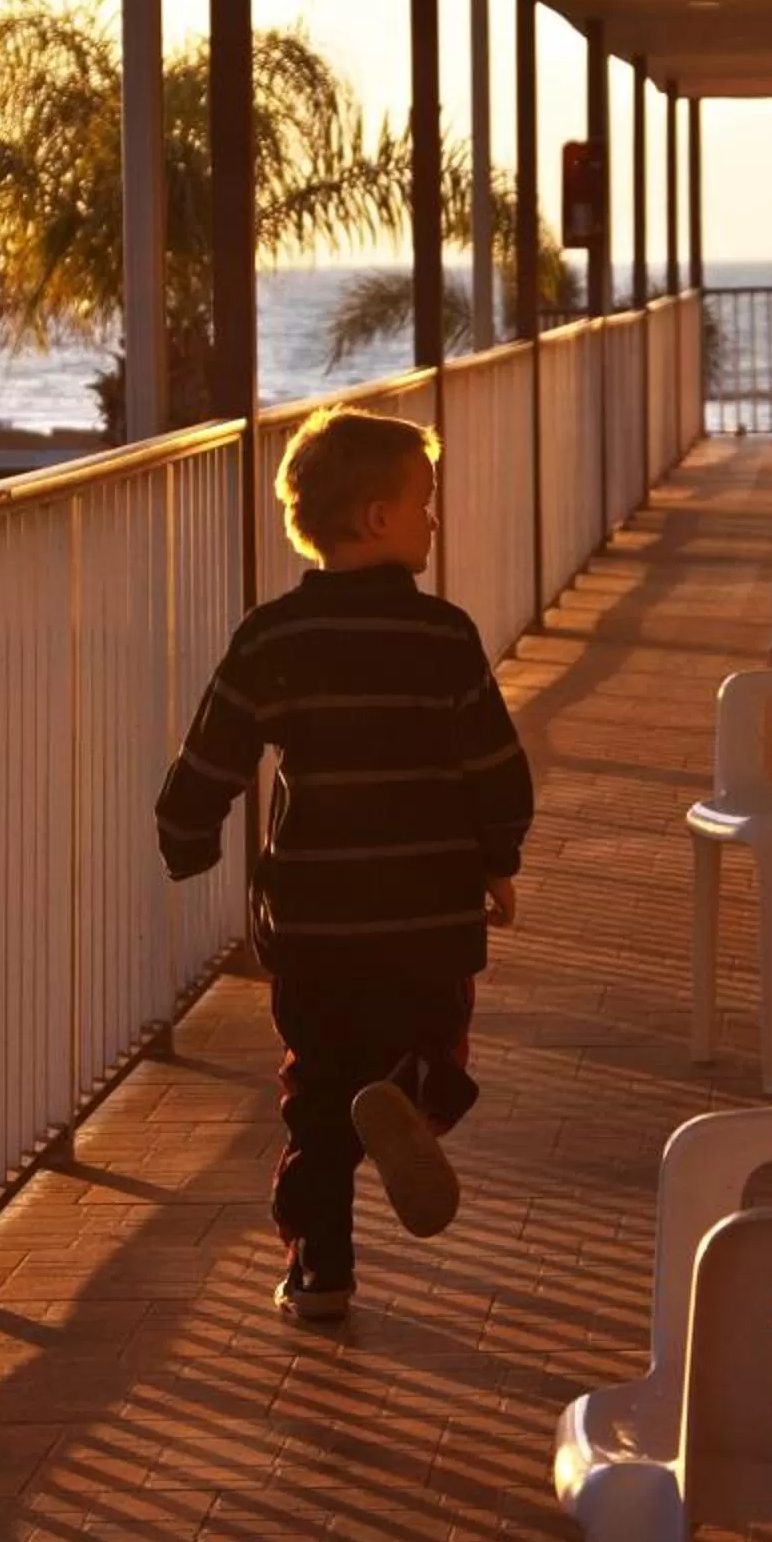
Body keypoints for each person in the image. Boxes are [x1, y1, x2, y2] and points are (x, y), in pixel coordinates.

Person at [155, 406, 535, 1324]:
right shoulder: (443, 637)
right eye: (424, 505)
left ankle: (321, 1271)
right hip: (427, 916)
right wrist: (497, 854)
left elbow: (215, 751)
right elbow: (494, 765)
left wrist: (188, 835)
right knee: (431, 1038)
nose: (433, 522)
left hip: (317, 920)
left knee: (316, 1094)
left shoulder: (274, 637)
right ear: (376, 519)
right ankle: (412, 1089)